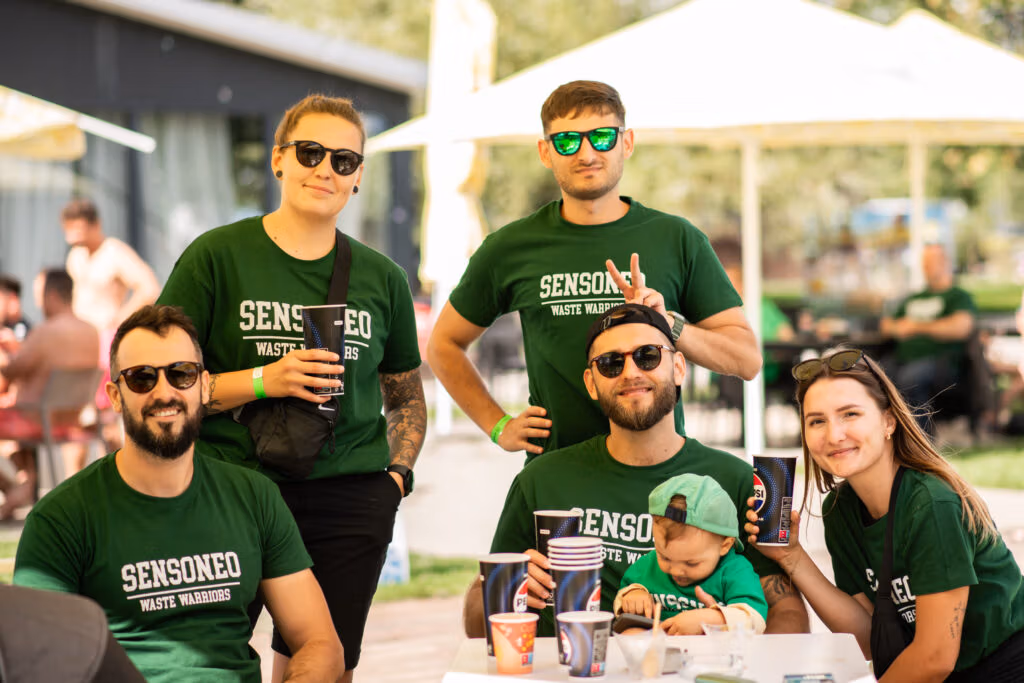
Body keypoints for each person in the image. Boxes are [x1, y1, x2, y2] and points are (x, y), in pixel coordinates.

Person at [157, 94, 426, 683]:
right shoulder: (217, 257)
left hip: (350, 497)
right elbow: (160, 384)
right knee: (208, 660)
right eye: (310, 153)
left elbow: (405, 395)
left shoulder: (383, 278)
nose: (326, 169)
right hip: (235, 486)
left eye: (345, 161)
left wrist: (395, 480)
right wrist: (263, 380)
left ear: (358, 179)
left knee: (324, 663)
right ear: (279, 160)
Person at [428, 80, 760, 458]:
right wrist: (498, 424)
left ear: (627, 142)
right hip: (556, 484)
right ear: (545, 151)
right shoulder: (511, 247)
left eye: (602, 136)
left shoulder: (677, 238)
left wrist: (669, 324)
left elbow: (746, 360)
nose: (586, 152)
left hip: (659, 484)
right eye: (567, 140)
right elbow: (443, 345)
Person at [13, 305, 343, 683]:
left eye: (181, 374)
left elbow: (319, 642)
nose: (164, 392)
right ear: (115, 396)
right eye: (141, 379)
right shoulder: (62, 518)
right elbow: (38, 662)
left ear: (203, 386)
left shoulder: (254, 497)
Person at [463, 304, 807, 637]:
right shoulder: (541, 480)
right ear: (591, 382)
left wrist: (728, 642)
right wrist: (506, 585)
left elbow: (789, 614)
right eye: (610, 363)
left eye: (648, 355)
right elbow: (475, 622)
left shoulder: (741, 481)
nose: (630, 372)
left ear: (678, 368)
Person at [745, 347, 1024, 681]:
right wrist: (791, 556)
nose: (834, 435)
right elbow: (869, 637)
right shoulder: (840, 509)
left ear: (889, 421)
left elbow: (935, 658)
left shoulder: (931, 503)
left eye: (850, 414)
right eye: (817, 421)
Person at [614, 473, 768, 635]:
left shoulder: (734, 571)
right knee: (631, 634)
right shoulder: (649, 564)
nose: (676, 570)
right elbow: (626, 592)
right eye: (665, 557)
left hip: (711, 655)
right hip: (659, 650)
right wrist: (633, 595)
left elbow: (754, 618)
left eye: (691, 563)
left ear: (724, 545)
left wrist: (711, 618)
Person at [0, 269, 99, 518]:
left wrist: (7, 353)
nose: (38, 303)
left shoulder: (45, 332)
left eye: (39, 296)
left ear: (52, 295)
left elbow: (13, 370)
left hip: (36, 420)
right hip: (71, 418)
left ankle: (20, 486)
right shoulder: (91, 331)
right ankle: (24, 485)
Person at [62, 198, 160, 447]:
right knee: (75, 426)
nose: (74, 237)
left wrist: (119, 320)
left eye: (79, 229)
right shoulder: (75, 256)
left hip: (105, 348)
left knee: (108, 421)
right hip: (78, 348)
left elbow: (149, 287)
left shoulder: (114, 252)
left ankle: (118, 479)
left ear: (96, 225)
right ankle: (77, 484)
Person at [880, 243, 976, 432]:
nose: (928, 267)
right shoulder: (914, 298)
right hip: (902, 358)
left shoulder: (957, 296)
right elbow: (886, 325)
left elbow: (961, 327)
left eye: (932, 262)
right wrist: (898, 327)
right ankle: (889, 438)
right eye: (925, 263)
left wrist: (916, 326)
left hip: (943, 361)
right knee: (874, 376)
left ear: (945, 262)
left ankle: (922, 443)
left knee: (911, 378)